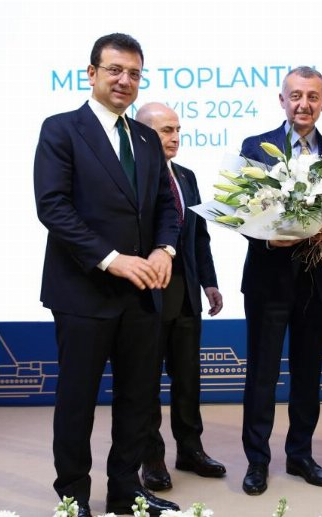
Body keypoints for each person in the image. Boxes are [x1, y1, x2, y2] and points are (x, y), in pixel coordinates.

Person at [34, 34, 181, 516]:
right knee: (76, 401)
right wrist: (111, 258)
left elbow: (165, 205)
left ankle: (125, 493)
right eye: (115, 70)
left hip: (142, 293)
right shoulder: (61, 129)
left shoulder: (145, 137)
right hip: (83, 291)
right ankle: (73, 497)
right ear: (92, 73)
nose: (124, 80)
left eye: (134, 73)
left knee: (137, 400)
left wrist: (164, 249)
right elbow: (53, 207)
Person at [238, 66, 322, 496]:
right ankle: (257, 461)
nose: (303, 104)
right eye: (295, 96)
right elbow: (241, 210)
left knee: (308, 374)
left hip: (316, 280)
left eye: (312, 96)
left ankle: (300, 454)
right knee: (262, 374)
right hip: (267, 280)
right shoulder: (255, 147)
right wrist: (269, 238)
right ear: (282, 100)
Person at [134, 103, 227, 492]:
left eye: (177, 130)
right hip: (147, 298)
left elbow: (198, 236)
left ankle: (190, 450)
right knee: (145, 385)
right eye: (165, 131)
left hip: (187, 296)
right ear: (142, 135)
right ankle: (151, 459)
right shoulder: (132, 177)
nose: (174, 138)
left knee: (188, 381)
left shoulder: (186, 176)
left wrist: (209, 282)